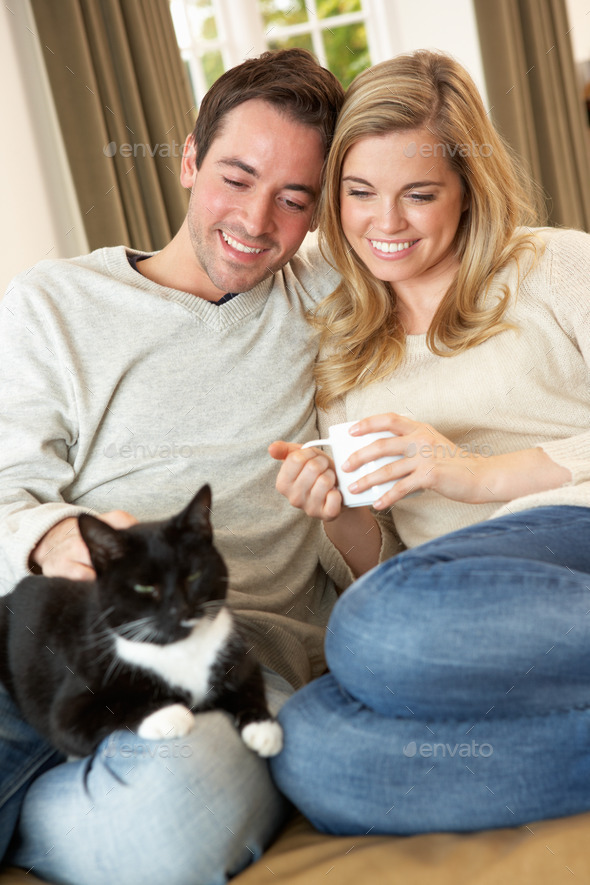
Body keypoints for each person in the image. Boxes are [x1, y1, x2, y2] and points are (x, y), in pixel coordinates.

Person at [0, 49, 344, 885]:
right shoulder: (53, 303)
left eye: (295, 199)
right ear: (189, 160)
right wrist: (50, 539)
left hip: (215, 668)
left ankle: (46, 813)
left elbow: (456, 231)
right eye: (236, 176)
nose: (257, 221)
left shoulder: (331, 305)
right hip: (49, 641)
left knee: (173, 822)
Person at [269, 49, 590, 836]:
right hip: (450, 603)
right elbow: (389, 569)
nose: (387, 223)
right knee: (312, 746)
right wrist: (339, 511)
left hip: (567, 539)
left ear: (468, 190)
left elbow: (397, 599)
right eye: (360, 193)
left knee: (372, 628)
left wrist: (477, 474)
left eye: (419, 194)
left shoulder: (555, 266)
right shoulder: (342, 341)